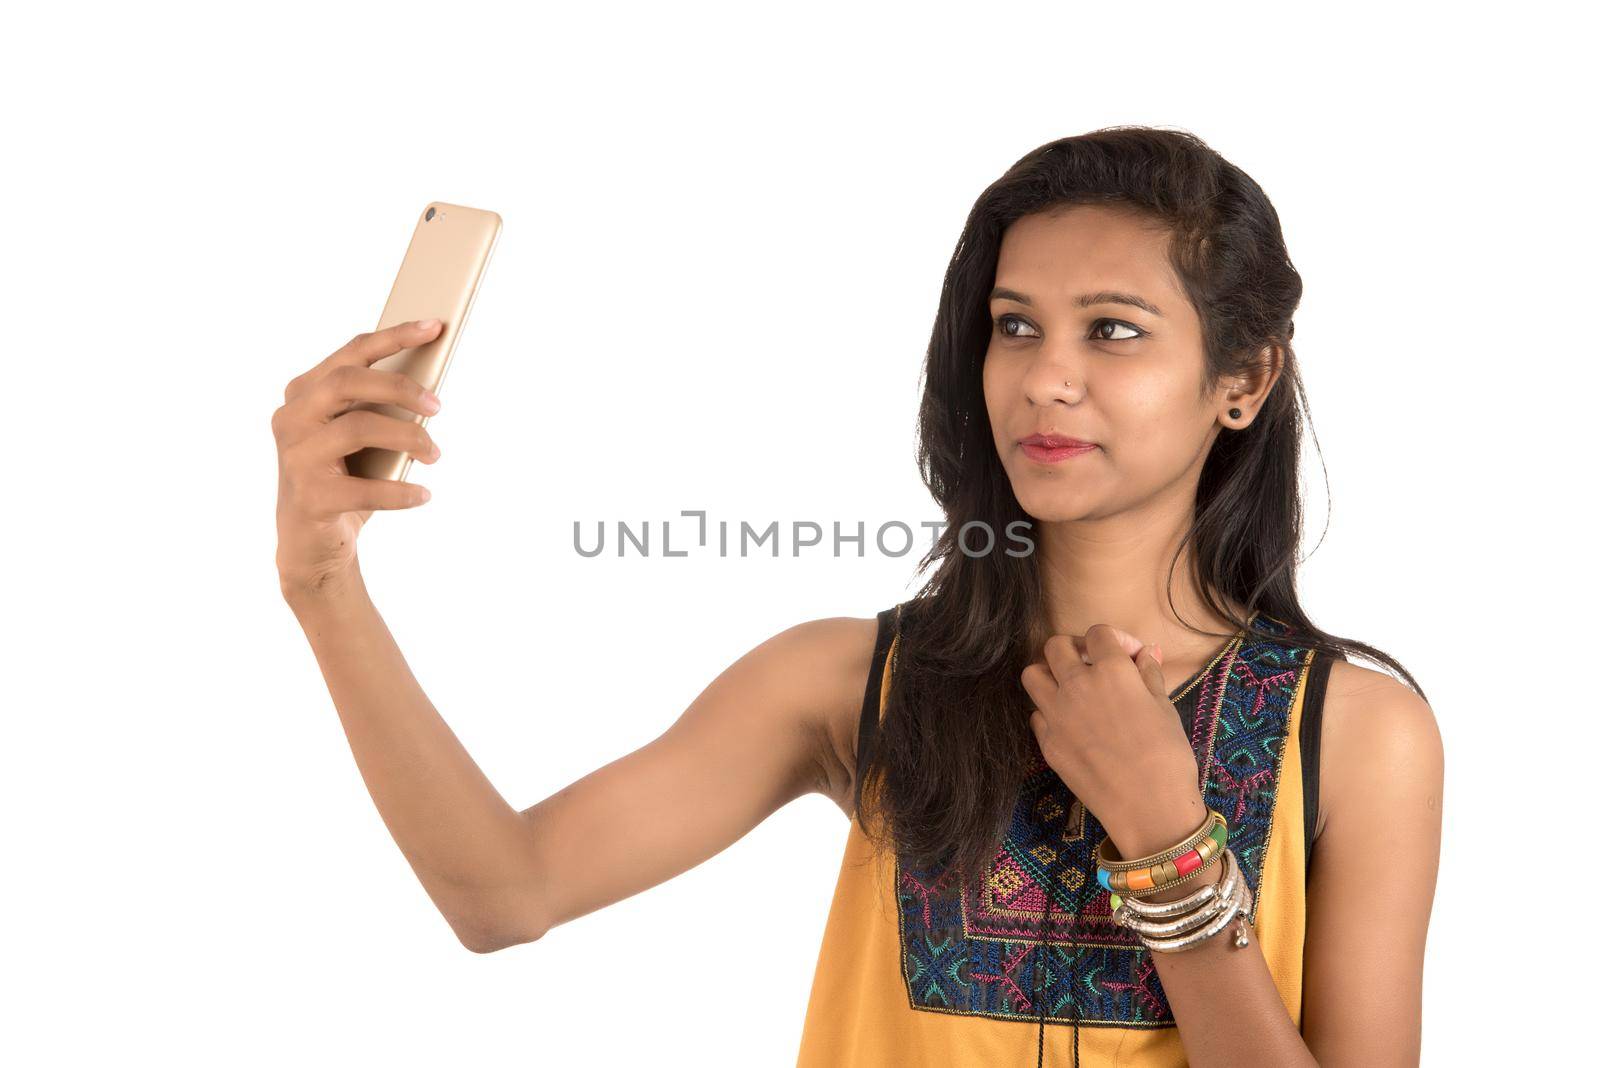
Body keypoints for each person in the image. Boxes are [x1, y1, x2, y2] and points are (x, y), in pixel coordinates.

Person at [272, 126, 1442, 1068]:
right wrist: (324, 584)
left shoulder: (1353, 736)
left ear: (1240, 379)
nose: (1046, 375)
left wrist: (1168, 842)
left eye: (1114, 332)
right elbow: (502, 893)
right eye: (1014, 326)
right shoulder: (852, 686)